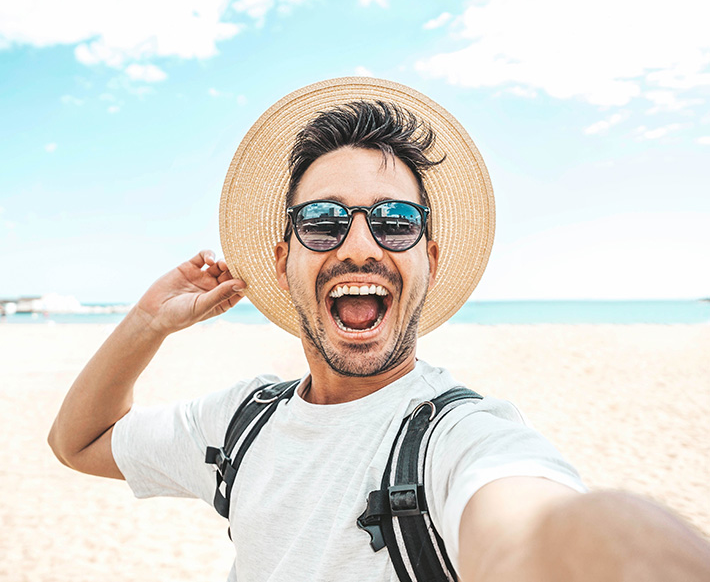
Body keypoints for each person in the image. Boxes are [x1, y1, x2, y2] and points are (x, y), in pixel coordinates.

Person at [49, 78, 710, 582]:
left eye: (394, 219)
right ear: (284, 262)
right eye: (322, 220)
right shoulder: (238, 423)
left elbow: (535, 526)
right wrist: (145, 323)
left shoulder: (459, 439)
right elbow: (75, 441)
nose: (359, 244)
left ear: (430, 257)